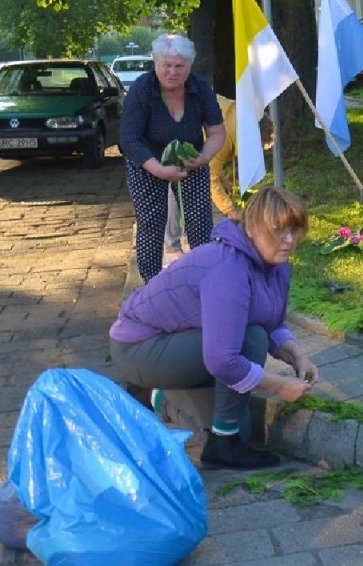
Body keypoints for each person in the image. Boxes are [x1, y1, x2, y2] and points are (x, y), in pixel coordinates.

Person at [109, 186, 318, 469]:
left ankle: (173, 402)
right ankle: (217, 438)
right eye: (279, 230)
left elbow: (272, 322)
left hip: (186, 342)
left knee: (241, 423)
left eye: (295, 230)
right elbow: (223, 359)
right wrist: (280, 386)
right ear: (253, 227)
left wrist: (297, 357)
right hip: (140, 349)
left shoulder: (277, 265)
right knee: (250, 340)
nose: (289, 240)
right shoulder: (228, 270)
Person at [119, 34, 228, 283]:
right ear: (155, 64)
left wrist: (203, 158)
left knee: (200, 220)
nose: (172, 72)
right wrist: (158, 169)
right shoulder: (140, 90)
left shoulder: (201, 89)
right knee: (151, 221)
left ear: (189, 67)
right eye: (166, 65)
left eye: (179, 66)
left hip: (191, 157)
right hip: (147, 160)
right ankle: (152, 284)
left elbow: (216, 132)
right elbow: (129, 140)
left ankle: (203, 278)